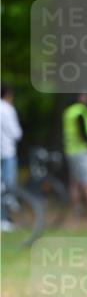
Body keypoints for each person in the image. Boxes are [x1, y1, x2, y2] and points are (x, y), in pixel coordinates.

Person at [1, 84, 23, 231]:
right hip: (8, 152)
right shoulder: (8, 109)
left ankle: (3, 220)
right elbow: (16, 133)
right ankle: (6, 217)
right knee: (9, 186)